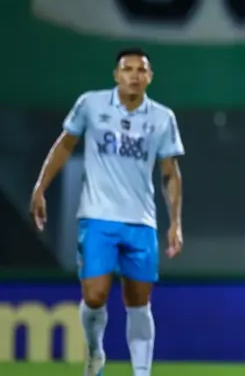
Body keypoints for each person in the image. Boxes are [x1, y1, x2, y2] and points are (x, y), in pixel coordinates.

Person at [29, 48, 185, 376]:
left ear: (149, 77)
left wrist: (175, 222)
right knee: (95, 294)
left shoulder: (162, 118)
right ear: (116, 74)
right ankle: (94, 352)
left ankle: (141, 372)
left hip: (141, 220)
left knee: (139, 301)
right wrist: (40, 187)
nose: (134, 75)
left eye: (140, 70)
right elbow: (65, 144)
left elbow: (170, 172)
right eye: (127, 69)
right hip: (97, 216)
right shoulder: (91, 104)